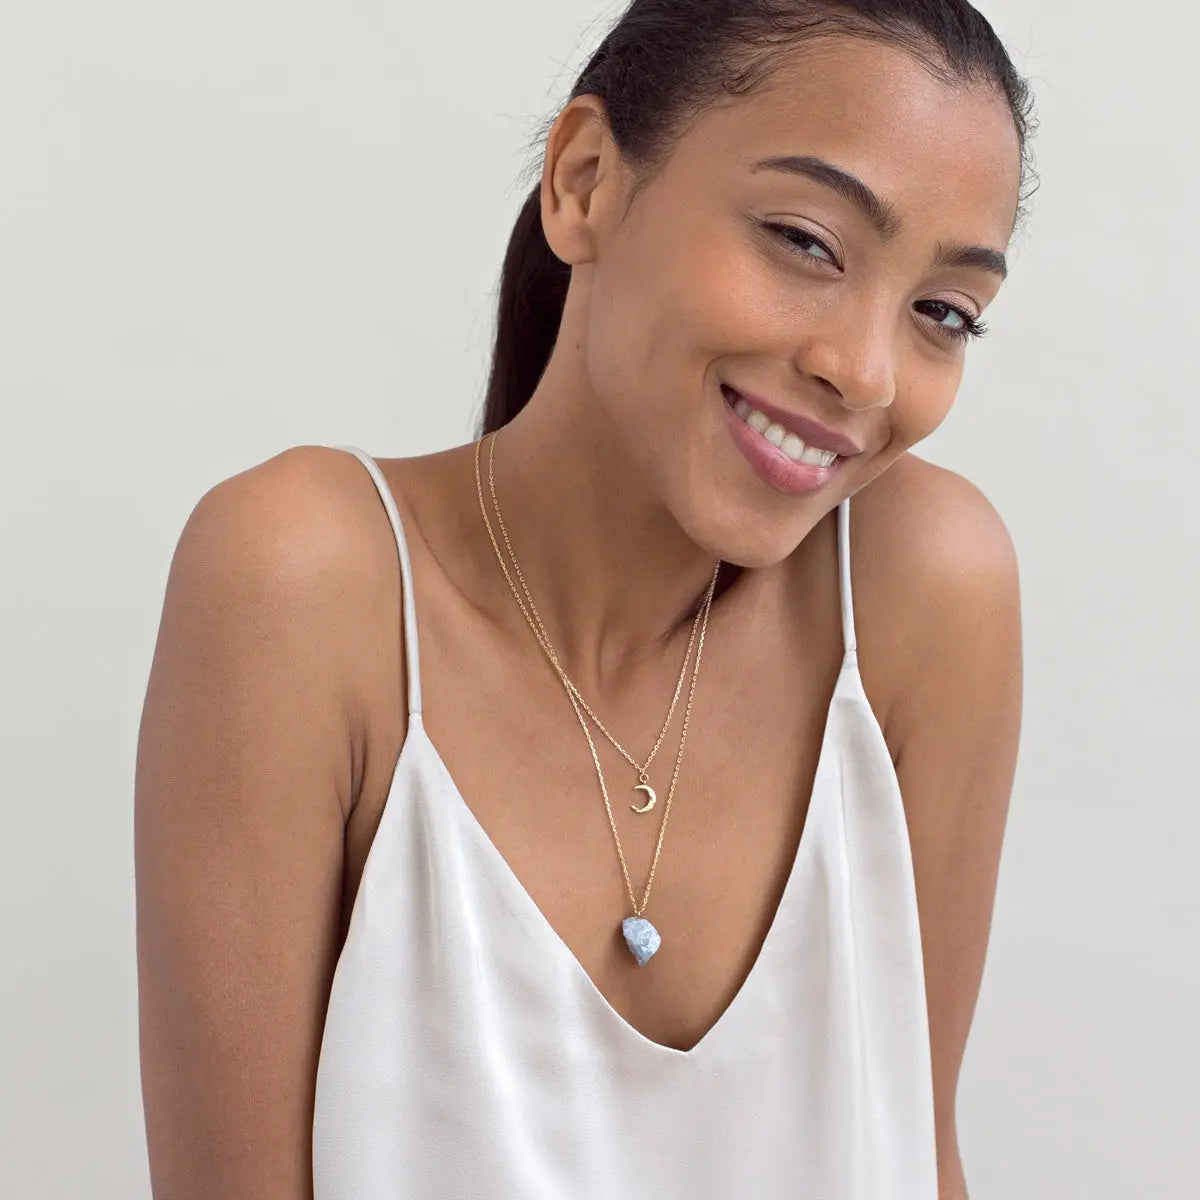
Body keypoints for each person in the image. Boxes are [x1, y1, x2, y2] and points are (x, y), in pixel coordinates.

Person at [135, 1, 1033, 1196]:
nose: (865, 372)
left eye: (943, 313)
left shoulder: (923, 588)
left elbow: (918, 1153)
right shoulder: (307, 585)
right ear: (587, 182)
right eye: (806, 241)